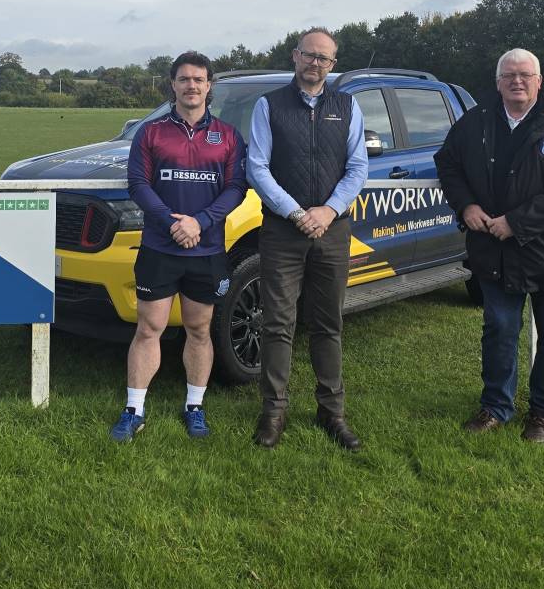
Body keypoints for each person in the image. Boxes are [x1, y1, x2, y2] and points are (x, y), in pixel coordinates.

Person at [434, 48, 544, 443]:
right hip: (494, 252)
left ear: (539, 81)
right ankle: (496, 407)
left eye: (525, 75)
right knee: (500, 331)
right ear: (498, 82)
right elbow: (447, 164)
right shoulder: (474, 124)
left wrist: (517, 223)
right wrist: (466, 204)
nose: (517, 81)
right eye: (509, 75)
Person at [110, 51, 248, 442]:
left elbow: (236, 187)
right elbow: (139, 184)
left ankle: (195, 407)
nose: (191, 85)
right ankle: (133, 410)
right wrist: (172, 223)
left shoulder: (228, 136)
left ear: (209, 86)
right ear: (173, 85)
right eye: (184, 79)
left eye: (199, 79)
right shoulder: (151, 133)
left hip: (206, 251)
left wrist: (199, 222)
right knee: (149, 327)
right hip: (160, 248)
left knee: (199, 329)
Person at [247, 28, 369, 451]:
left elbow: (357, 167)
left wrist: (328, 211)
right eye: (309, 55)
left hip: (332, 230)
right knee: (278, 323)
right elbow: (257, 167)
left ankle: (331, 411)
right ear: (295, 56)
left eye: (325, 58)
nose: (316, 63)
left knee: (328, 323)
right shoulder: (269, 106)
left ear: (333, 65)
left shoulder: (348, 106)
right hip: (283, 230)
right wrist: (298, 213)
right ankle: (274, 411)